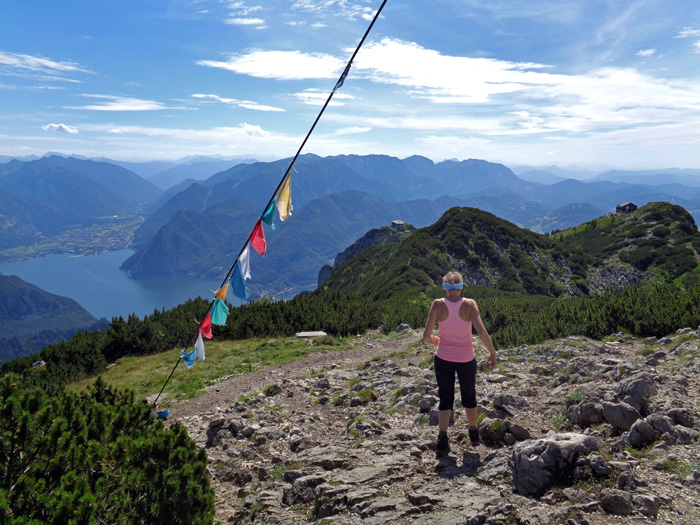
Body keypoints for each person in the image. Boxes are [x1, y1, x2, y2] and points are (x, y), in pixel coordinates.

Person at [423, 271, 497, 457]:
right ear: (461, 286)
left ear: (445, 288)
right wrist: (492, 352)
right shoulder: (470, 305)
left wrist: (433, 339)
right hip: (466, 359)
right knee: (469, 396)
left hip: (443, 358)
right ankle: (473, 433)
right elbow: (481, 331)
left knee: (446, 398)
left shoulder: (437, 304)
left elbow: (426, 334)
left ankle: (442, 440)